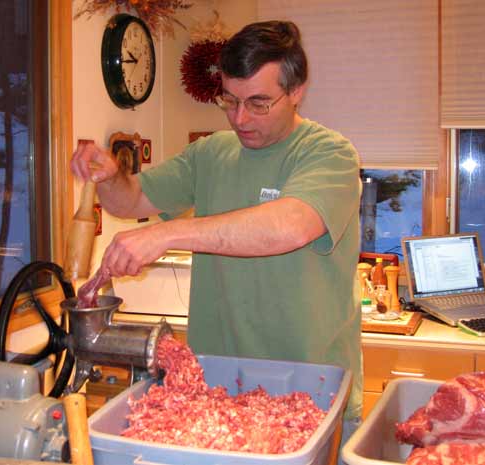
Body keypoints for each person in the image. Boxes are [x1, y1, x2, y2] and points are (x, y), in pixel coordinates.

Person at [71, 20, 362, 461]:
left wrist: (167, 233)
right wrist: (112, 175)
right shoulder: (211, 154)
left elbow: (289, 226)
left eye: (259, 102)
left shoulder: (330, 155)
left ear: (297, 89)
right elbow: (131, 199)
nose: (241, 118)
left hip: (309, 397)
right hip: (216, 393)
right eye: (230, 100)